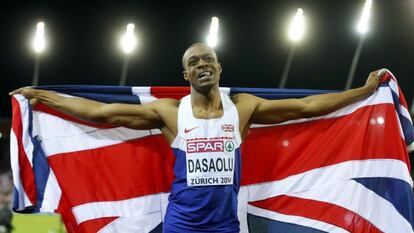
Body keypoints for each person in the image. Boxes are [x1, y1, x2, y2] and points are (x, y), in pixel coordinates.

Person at [10, 42, 386, 233]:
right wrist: (41, 96)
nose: (201, 64)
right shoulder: (171, 113)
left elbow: (307, 107)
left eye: (207, 59)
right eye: (193, 62)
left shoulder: (243, 108)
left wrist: (364, 91)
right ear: (186, 74)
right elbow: (100, 113)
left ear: (219, 67)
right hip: (182, 226)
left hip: (225, 226)